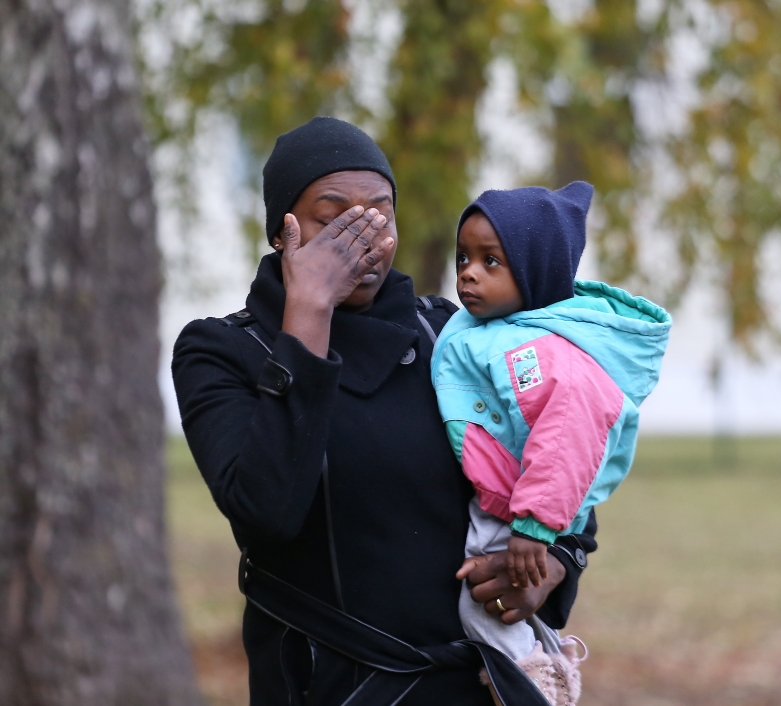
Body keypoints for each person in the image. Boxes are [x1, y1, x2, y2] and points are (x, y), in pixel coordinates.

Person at [171, 117, 598, 706]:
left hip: (474, 686)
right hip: (333, 687)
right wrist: (309, 314)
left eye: (380, 212)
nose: (364, 233)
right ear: (282, 232)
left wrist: (552, 564)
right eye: (332, 215)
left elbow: (563, 442)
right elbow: (266, 511)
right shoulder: (221, 351)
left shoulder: (451, 333)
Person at [430, 182, 671, 703]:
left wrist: (534, 528)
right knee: (492, 605)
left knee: (480, 606)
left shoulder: (539, 353)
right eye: (463, 257)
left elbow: (566, 440)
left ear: (534, 274)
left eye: (491, 261)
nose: (468, 272)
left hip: (519, 514)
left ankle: (533, 684)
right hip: (502, 502)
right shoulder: (499, 329)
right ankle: (548, 659)